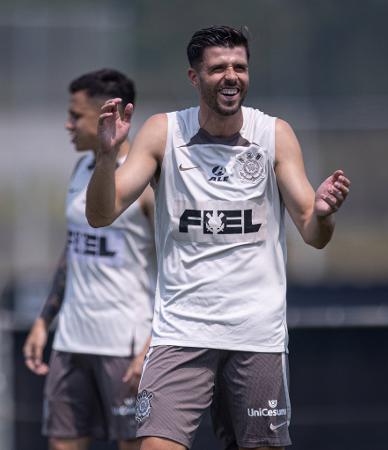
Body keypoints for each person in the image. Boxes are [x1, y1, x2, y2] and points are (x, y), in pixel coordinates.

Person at [86, 26, 351, 450]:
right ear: (195, 78)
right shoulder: (163, 132)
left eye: (239, 67)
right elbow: (101, 214)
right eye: (218, 68)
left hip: (256, 334)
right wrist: (104, 158)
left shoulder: (274, 135)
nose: (231, 76)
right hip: (181, 332)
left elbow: (314, 233)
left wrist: (323, 213)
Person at [23, 69, 157, 450]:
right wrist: (43, 321)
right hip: (71, 341)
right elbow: (74, 246)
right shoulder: (81, 168)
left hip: (125, 347)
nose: (68, 125)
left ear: (107, 116)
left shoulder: (145, 182)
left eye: (76, 115)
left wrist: (151, 344)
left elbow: (176, 270)